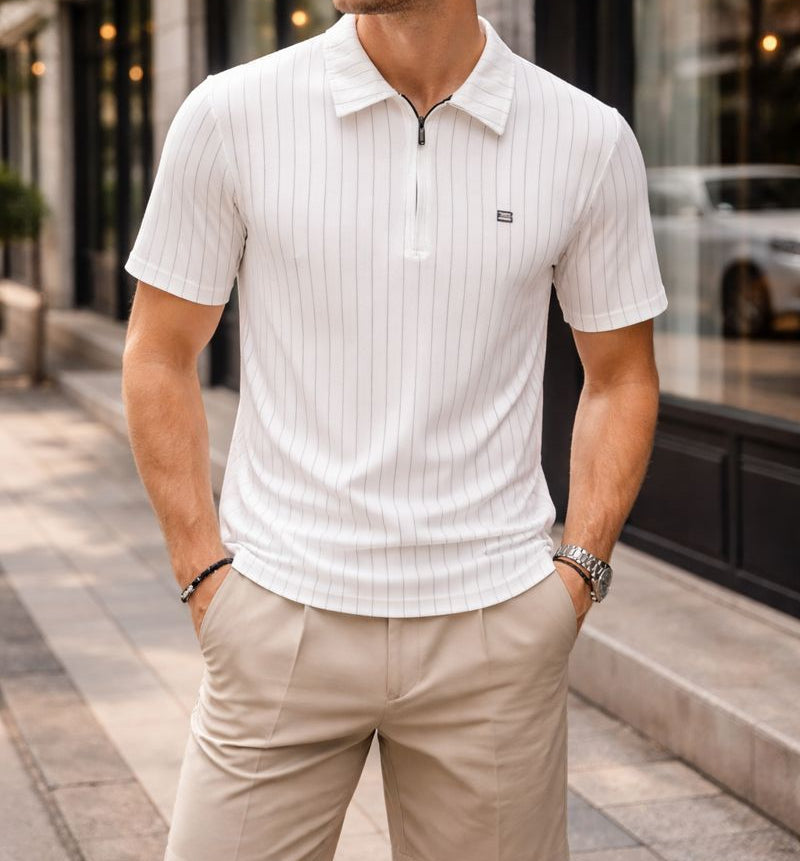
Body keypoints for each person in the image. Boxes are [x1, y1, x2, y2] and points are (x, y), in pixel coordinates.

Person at [121, 1, 668, 858]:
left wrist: (578, 574)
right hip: (280, 614)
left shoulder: (587, 139)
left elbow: (622, 376)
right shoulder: (231, 115)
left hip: (494, 629)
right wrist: (203, 575)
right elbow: (159, 353)